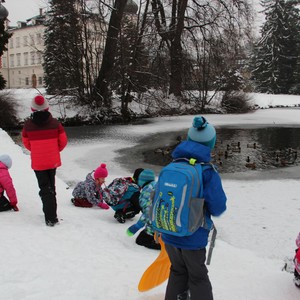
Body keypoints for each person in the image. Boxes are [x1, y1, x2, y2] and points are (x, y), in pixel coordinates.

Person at [162, 116, 227, 300]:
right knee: (198, 277)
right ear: (210, 144)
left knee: (177, 272)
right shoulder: (206, 171)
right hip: (193, 235)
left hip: (169, 231)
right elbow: (218, 207)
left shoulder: (173, 165)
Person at [22, 95, 68, 226]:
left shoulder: (28, 125)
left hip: (38, 162)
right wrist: (54, 150)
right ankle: (51, 214)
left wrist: (36, 150)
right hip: (52, 160)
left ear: (33, 108)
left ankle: (50, 217)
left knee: (44, 188)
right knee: (51, 186)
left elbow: (26, 143)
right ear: (46, 107)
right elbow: (63, 141)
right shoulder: (55, 123)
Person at [126, 169, 161, 250]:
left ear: (142, 181)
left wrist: (137, 226)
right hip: (166, 223)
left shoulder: (147, 191)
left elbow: (149, 212)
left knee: (140, 240)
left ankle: (161, 244)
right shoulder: (157, 185)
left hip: (157, 226)